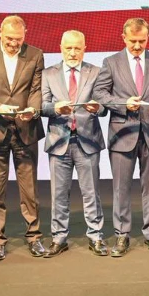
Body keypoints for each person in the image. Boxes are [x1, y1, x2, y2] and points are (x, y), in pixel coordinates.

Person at [91, 18, 149, 256]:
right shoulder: (111, 62)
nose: (137, 46)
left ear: (148, 38)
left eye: (142, 41)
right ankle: (121, 235)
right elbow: (99, 93)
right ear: (123, 38)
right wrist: (123, 104)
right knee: (121, 188)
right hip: (122, 133)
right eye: (133, 41)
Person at [0, 15, 46, 261]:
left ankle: (34, 237)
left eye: (19, 39)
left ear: (25, 35)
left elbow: (36, 89)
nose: (14, 44)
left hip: (26, 129)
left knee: (30, 189)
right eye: (10, 39)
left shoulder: (35, 54)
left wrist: (33, 109)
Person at [40, 30, 107, 256]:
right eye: (68, 48)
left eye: (77, 48)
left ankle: (96, 237)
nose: (72, 53)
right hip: (59, 141)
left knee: (91, 193)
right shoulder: (48, 73)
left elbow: (104, 106)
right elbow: (42, 106)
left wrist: (97, 108)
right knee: (58, 194)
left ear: (84, 49)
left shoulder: (95, 72)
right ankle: (59, 238)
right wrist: (55, 108)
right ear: (61, 48)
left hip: (87, 140)